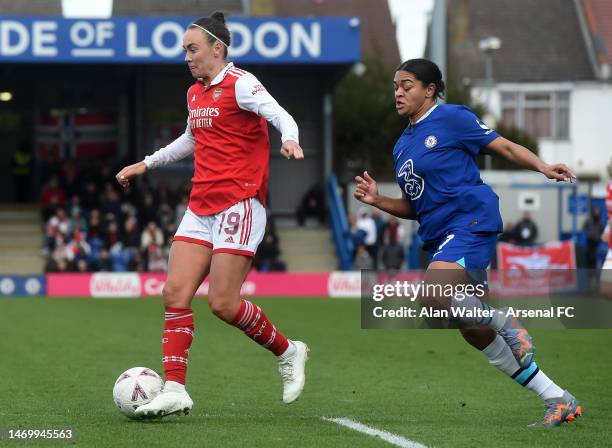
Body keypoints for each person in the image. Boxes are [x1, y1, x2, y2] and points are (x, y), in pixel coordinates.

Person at [354, 58, 580, 428]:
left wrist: (542, 166)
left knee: (432, 295)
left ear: (430, 91)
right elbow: (416, 207)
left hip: (471, 222)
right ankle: (557, 397)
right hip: (443, 235)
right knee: (473, 330)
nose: (397, 92)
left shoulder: (452, 118)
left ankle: (508, 321)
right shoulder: (401, 146)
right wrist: (379, 201)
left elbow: (502, 146)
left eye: (407, 85)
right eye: (395, 86)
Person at [115, 12, 309, 418]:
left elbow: (280, 114)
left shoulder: (242, 84)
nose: (186, 57)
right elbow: (190, 139)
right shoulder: (195, 94)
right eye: (185, 50)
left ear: (217, 49)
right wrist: (146, 164)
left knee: (222, 303)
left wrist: (289, 139)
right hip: (200, 206)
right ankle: (176, 389)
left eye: (192, 49)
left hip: (239, 203)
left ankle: (289, 351)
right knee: (175, 293)